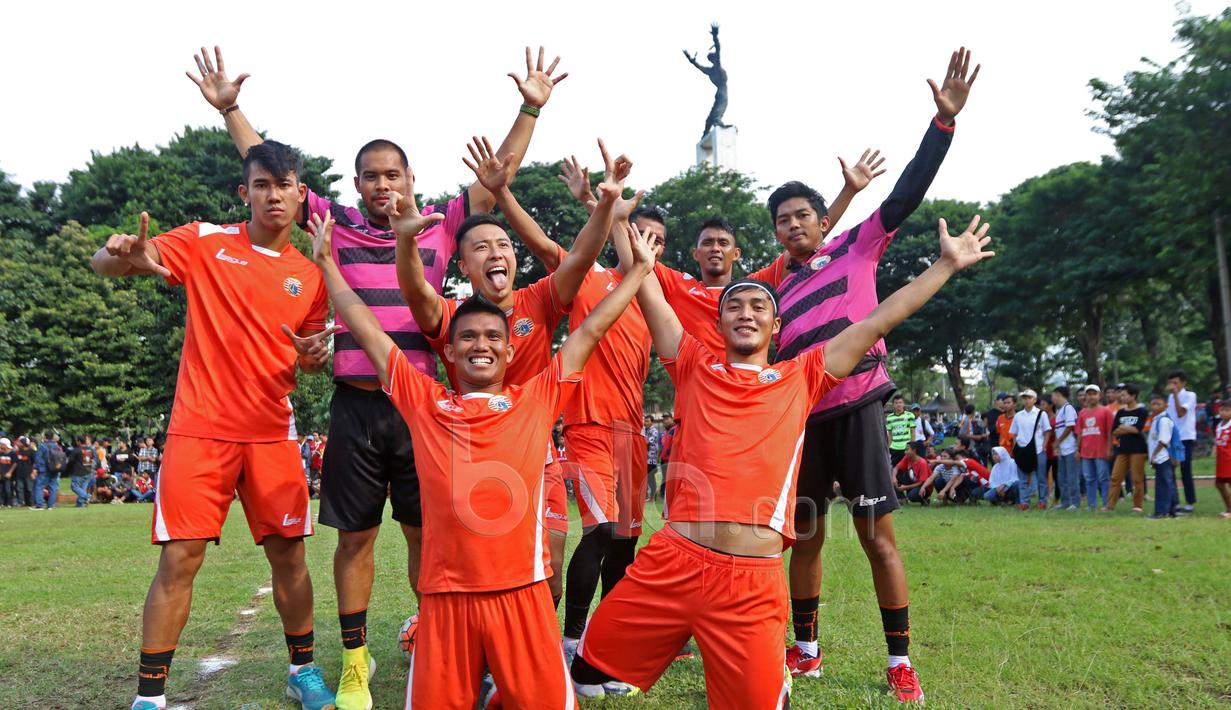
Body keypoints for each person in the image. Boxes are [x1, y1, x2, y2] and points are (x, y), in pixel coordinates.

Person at [190, 45, 567, 708]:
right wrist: (231, 110)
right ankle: (355, 661)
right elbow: (271, 173)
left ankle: (438, 639)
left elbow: (496, 174)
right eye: (370, 176)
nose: (382, 185)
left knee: (430, 534)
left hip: (423, 411)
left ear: (411, 178)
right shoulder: (332, 224)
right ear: (357, 184)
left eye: (392, 174)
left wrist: (529, 108)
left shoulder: (441, 224)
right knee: (355, 537)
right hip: (356, 405)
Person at [570, 212, 993, 707]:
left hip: (751, 582)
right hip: (672, 565)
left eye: (758, 306)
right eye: (734, 306)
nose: (745, 313)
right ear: (719, 322)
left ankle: (776, 676)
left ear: (776, 325)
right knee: (583, 675)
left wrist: (944, 266)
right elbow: (647, 288)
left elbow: (880, 319)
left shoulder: (802, 376)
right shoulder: (691, 363)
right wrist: (615, 214)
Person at [310, 185, 655, 709]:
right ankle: (455, 658)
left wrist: (637, 270)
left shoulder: (536, 398)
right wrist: (329, 265)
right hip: (446, 601)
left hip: (523, 597)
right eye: (468, 337)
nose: (481, 345)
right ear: (448, 351)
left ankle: (509, 675)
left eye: (494, 338)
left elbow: (589, 330)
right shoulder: (426, 403)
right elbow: (370, 331)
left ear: (510, 350)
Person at [742, 49, 979, 693]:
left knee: (878, 538)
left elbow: (906, 194)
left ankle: (900, 663)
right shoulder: (775, 292)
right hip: (803, 421)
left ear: (824, 221)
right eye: (782, 221)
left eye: (802, 216)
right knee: (806, 538)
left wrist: (942, 124)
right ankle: (807, 650)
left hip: (860, 407)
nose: (793, 226)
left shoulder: (857, 243)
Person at [91, 141, 336, 710]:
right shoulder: (204, 240)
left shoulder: (312, 274)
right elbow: (118, 263)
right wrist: (117, 251)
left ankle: (302, 670)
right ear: (244, 192)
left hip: (272, 431)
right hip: (199, 428)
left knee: (290, 556)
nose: (273, 196)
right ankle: (149, 697)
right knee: (180, 559)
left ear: (301, 193)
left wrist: (313, 357)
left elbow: (308, 353)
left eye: (284, 185)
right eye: (261, 185)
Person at [397, 137, 627, 617]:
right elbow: (416, 293)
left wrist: (604, 203)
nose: (495, 252)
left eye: (502, 244)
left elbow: (580, 257)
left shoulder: (538, 300)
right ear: (464, 265)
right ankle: (458, 633)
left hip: (536, 453)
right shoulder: (454, 317)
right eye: (480, 247)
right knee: (478, 564)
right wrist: (406, 242)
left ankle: (538, 639)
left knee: (551, 561)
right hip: (471, 455)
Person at [1105, 383, 1148, 513]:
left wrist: (1123, 428)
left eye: (1124, 395)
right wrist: (1127, 429)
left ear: (1133, 396)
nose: (1121, 397)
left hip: (1138, 450)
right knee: (1115, 477)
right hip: (1122, 449)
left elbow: (1138, 429)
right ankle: (1110, 505)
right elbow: (1114, 431)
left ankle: (1137, 505)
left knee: (1137, 478)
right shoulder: (1121, 412)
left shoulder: (1142, 411)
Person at [1009, 389, 1052, 510]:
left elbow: (1047, 431)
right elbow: (1014, 434)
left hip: (1038, 449)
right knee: (1023, 479)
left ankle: (1042, 501)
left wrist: (1044, 446)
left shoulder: (1041, 414)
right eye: (1025, 398)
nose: (1027, 400)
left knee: (1041, 478)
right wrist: (1015, 448)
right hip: (1022, 450)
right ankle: (1024, 502)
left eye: (1029, 398)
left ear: (1034, 400)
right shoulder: (1018, 416)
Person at [1076, 385, 1113, 511]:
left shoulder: (1106, 411)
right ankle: (1091, 505)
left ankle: (1106, 503)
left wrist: (1109, 448)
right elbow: (1080, 433)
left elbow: (1109, 432)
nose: (1091, 397)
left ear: (1099, 395)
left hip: (1101, 451)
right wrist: (1077, 449)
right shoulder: (1082, 413)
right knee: (1089, 479)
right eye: (1089, 394)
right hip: (1086, 451)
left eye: (1094, 394)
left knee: (1103, 478)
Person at [1167, 369, 1198, 513]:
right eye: (1171, 383)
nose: (1173, 385)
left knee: (1185, 470)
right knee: (1171, 470)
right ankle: (1175, 502)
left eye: (1176, 383)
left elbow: (1180, 413)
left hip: (1185, 436)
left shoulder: (1190, 395)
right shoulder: (1170, 397)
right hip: (1172, 437)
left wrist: (1175, 395)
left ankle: (1190, 502)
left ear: (1183, 383)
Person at [1145, 393, 1181, 520]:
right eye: (1153, 404)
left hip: (1163, 457)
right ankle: (1172, 510)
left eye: (1158, 404)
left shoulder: (1164, 420)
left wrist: (1154, 455)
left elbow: (1163, 440)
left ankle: (1161, 511)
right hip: (1161, 457)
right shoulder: (1156, 419)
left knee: (1163, 485)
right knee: (1168, 483)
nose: (1155, 406)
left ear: (1166, 405)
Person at [1051, 387, 1080, 510]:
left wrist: (1057, 442)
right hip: (1062, 450)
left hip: (1070, 448)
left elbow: (1070, 427)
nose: (1052, 398)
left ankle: (1075, 502)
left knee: (1072, 477)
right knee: (1062, 477)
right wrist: (1058, 446)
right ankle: (1065, 502)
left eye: (1053, 395)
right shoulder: (1059, 411)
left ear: (1059, 395)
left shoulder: (1068, 408)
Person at [33, 431, 65, 510]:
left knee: (39, 486)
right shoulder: (57, 446)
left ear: (45, 437)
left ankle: (40, 505)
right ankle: (51, 505)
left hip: (44, 469)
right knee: (53, 486)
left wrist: (36, 468)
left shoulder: (42, 446)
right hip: (54, 469)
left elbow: (38, 458)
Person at [66, 435, 98, 508]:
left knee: (74, 486)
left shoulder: (76, 450)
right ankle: (80, 503)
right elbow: (93, 459)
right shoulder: (90, 449)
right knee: (83, 488)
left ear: (79, 442)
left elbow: (70, 461)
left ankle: (87, 496)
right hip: (88, 471)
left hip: (79, 472)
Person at [885, 395, 914, 467]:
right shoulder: (889, 418)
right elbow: (889, 434)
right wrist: (889, 447)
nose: (898, 405)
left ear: (903, 404)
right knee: (895, 468)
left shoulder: (910, 415)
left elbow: (913, 432)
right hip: (894, 448)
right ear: (893, 405)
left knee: (907, 469)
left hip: (906, 448)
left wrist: (913, 446)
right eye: (896, 403)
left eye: (900, 402)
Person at [1214, 400, 1231, 518]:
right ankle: (1229, 509)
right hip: (1221, 461)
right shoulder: (1218, 425)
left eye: (1227, 410)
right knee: (1219, 484)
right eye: (1221, 410)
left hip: (1229, 460)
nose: (1224, 412)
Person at [13, 436, 36, 508]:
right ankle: (21, 502)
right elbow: (15, 462)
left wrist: (34, 472)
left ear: (23, 443)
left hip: (29, 473)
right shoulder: (18, 452)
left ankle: (31, 502)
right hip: (19, 473)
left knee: (29, 489)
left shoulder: (31, 452)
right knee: (19, 488)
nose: (18, 444)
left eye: (20, 442)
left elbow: (35, 462)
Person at [643, 415, 661, 502]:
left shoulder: (654, 431)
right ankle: (649, 495)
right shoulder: (645, 430)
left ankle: (653, 497)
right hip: (645, 458)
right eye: (645, 421)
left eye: (647, 421)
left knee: (651, 477)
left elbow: (646, 442)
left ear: (652, 422)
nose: (645, 423)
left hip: (651, 459)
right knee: (646, 477)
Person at [0, 438, 14, 508]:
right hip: (1, 474)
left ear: (4, 445)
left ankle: (9, 503)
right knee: (1, 489)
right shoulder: (1, 453)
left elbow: (15, 463)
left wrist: (10, 472)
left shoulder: (12, 453)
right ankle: (1, 503)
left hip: (8, 475)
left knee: (8, 489)